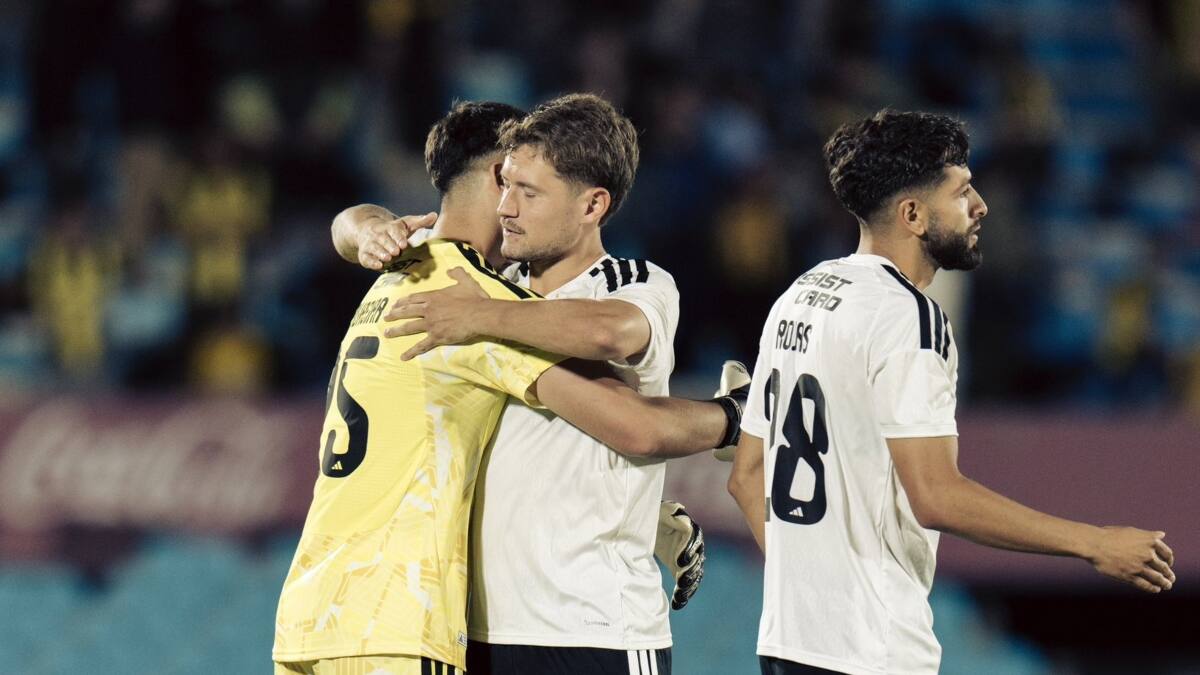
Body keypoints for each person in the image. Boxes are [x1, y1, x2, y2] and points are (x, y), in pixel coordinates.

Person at [273, 101, 745, 675]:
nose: (508, 206)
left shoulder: (618, 284)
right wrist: (364, 226)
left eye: (528, 190)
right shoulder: (480, 291)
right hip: (458, 627)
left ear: (593, 204)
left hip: (591, 625)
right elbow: (626, 427)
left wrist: (651, 507)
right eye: (508, 184)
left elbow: (613, 338)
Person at [726, 109, 1176, 675]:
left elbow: (746, 477)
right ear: (912, 214)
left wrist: (812, 588)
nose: (980, 205)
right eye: (962, 191)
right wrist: (1094, 543)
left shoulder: (799, 295)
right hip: (874, 654)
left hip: (788, 644)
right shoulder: (910, 318)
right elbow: (936, 495)